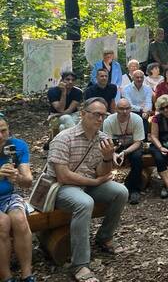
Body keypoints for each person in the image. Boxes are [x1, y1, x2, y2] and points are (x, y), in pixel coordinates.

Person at [48, 98, 129, 282]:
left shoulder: (102, 139)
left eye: (104, 115)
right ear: (83, 114)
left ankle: (104, 237)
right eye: (96, 114)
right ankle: (80, 265)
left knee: (121, 192)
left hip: (89, 183)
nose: (100, 119)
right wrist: (95, 182)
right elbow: (62, 176)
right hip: (62, 187)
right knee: (85, 203)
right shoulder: (64, 138)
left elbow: (102, 172)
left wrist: (108, 158)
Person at [0, 114, 35, 282]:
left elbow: (28, 182)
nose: (0, 136)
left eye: (3, 131)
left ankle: (27, 274)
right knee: (2, 223)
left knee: (20, 220)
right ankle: (6, 277)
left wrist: (17, 176)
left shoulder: (17, 147)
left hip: (8, 196)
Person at [102, 99, 145, 205]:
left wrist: (125, 152)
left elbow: (138, 142)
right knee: (102, 157)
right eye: (121, 109)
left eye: (127, 108)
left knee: (137, 157)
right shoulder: (109, 121)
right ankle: (105, 189)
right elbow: (107, 142)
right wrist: (112, 153)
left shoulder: (137, 119)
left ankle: (133, 189)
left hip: (132, 146)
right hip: (115, 147)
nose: (124, 111)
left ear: (131, 109)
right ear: (116, 109)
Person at [121, 69, 153, 135]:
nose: (139, 79)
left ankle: (144, 140)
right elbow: (129, 105)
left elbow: (149, 102)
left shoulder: (148, 88)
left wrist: (146, 111)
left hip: (144, 112)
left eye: (141, 77)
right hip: (130, 111)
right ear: (132, 78)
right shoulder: (126, 88)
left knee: (144, 118)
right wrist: (141, 109)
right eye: (137, 77)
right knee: (137, 118)